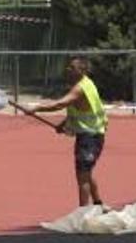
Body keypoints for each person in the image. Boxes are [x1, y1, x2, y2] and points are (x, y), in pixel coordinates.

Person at [32, 57, 108, 207]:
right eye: (69, 67)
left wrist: (37, 108)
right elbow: (77, 110)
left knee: (82, 177)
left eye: (72, 68)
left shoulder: (80, 88)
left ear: (82, 70)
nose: (68, 70)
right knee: (86, 172)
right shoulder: (84, 84)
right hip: (90, 135)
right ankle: (98, 204)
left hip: (90, 137)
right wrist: (64, 124)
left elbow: (61, 103)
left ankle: (83, 213)